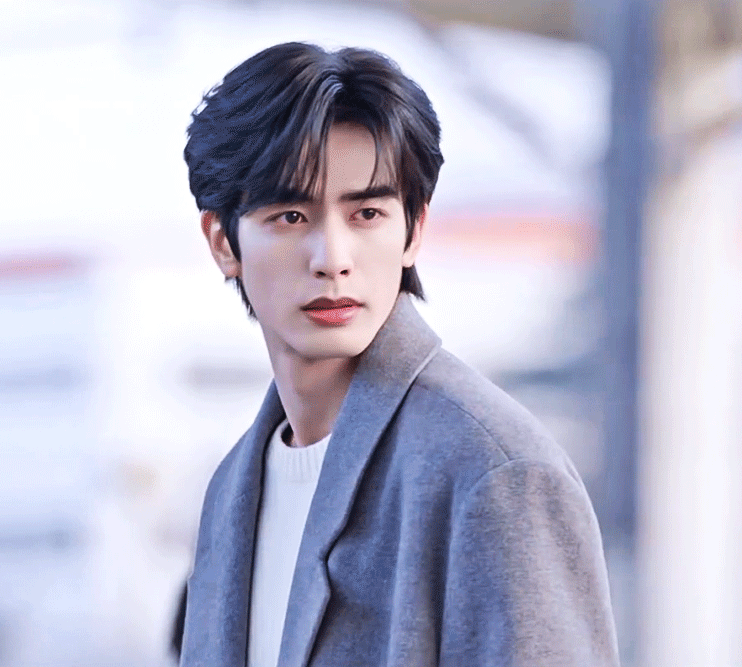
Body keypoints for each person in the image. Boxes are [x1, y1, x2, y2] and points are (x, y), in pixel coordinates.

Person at [174, 41, 620, 667]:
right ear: (223, 242)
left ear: (413, 230)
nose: (333, 259)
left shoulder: (495, 473)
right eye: (292, 216)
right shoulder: (230, 493)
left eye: (366, 213)